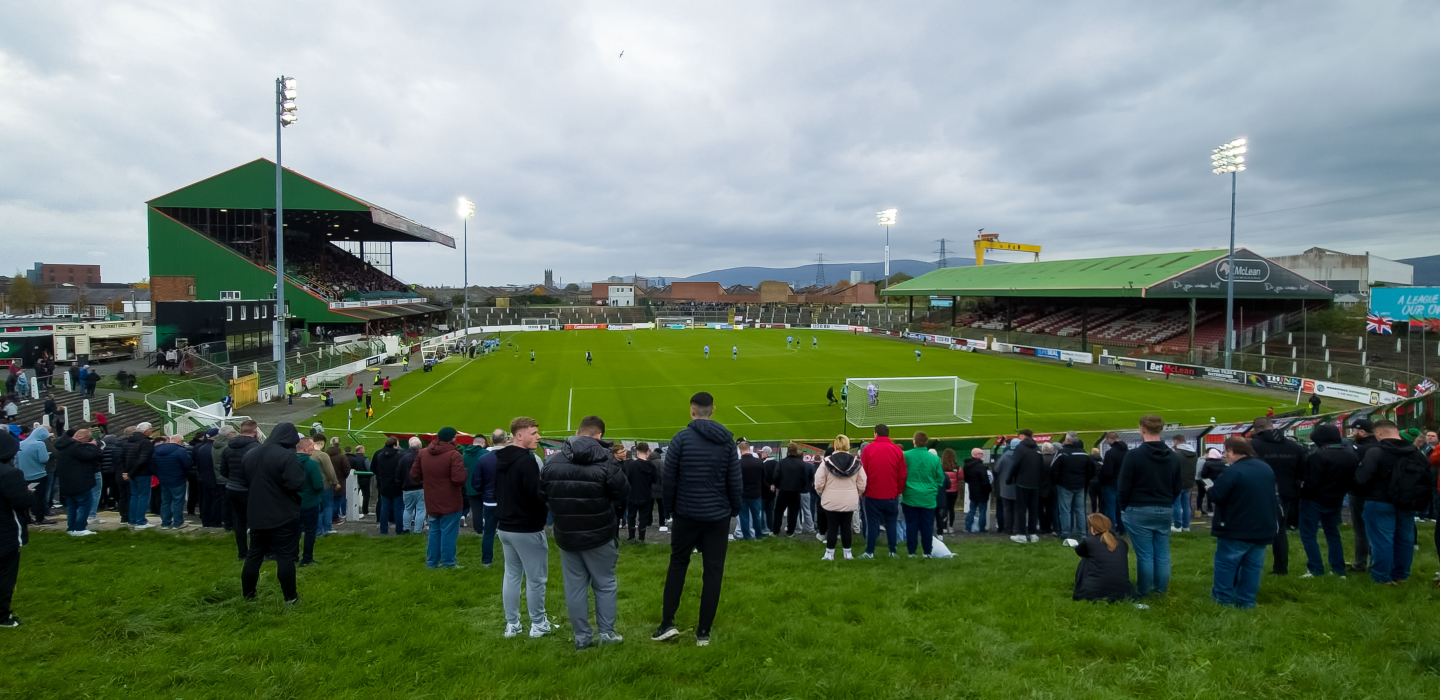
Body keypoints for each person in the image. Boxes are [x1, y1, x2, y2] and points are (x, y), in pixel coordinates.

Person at [653, 392, 741, 647]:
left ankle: (668, 623)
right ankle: (703, 632)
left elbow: (670, 479)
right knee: (713, 571)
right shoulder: (726, 442)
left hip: (687, 513)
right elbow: (734, 480)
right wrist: (733, 509)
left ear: (692, 411)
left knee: (678, 564)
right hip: (717, 515)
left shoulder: (681, 439)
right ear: (713, 409)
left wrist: (670, 510)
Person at [540, 415, 629, 650]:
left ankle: (583, 637)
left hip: (569, 533)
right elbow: (622, 494)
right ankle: (604, 634)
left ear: (578, 432)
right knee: (605, 584)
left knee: (575, 587)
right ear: (599, 435)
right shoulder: (606, 462)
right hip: (598, 534)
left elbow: (543, 494)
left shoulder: (553, 462)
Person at [1354, 419, 1431, 585]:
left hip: (1379, 501)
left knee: (1382, 540)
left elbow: (1362, 478)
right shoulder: (1416, 453)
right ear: (1397, 431)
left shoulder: (1376, 452)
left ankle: (1382, 577)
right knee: (1405, 539)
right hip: (1408, 502)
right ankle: (1401, 575)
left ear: (1379, 433)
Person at [237, 422, 305, 604]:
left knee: (254, 555)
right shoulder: (286, 456)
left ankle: (248, 595)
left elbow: (244, 480)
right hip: (283, 513)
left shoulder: (251, 454)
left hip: (257, 512)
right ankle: (290, 597)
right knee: (285, 556)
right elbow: (296, 484)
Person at [496, 416, 552, 638]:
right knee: (536, 578)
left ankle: (512, 624)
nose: (538, 436)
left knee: (511, 575)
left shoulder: (501, 458)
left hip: (505, 526)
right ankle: (538, 624)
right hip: (526, 528)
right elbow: (536, 496)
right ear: (519, 435)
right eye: (534, 433)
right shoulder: (527, 461)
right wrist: (541, 516)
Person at [1209, 436, 1279, 609]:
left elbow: (1217, 495)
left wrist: (1210, 489)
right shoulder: (1265, 468)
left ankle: (1222, 600)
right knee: (1252, 567)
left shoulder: (1233, 471)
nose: (1225, 455)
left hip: (1236, 526)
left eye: (1226, 452)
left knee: (1226, 564)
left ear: (1231, 452)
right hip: (1263, 526)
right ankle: (1246, 601)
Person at [1117, 414, 1182, 597]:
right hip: (1164, 508)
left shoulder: (1134, 455)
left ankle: (1144, 590)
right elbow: (1177, 485)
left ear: (1142, 429)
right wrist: (1167, 501)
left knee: (1145, 554)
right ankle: (1160, 589)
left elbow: (1123, 485)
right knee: (1162, 553)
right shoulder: (1172, 456)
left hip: (1139, 508)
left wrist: (1124, 506)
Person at [1297, 424, 1356, 578]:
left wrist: (1302, 491)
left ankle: (1315, 568)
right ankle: (1338, 569)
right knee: (1333, 534)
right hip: (1336, 498)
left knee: (1308, 534)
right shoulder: (1351, 456)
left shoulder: (1318, 457)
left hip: (1314, 500)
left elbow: (1311, 482)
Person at [1250, 416, 1305, 578]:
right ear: (1272, 427)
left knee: (1250, 529)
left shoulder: (1252, 445)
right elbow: (1302, 473)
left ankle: (1251, 568)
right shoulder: (1294, 446)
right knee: (1280, 530)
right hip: (1285, 493)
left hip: (1258, 492)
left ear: (1255, 429)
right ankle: (1280, 568)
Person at [410, 427, 468, 569]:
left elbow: (414, 474)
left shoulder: (423, 453)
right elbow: (458, 478)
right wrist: (464, 472)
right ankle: (448, 563)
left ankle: (432, 562)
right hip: (450, 500)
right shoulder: (454, 455)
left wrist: (429, 481)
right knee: (448, 532)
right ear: (451, 439)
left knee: (434, 532)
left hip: (432, 499)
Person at [815, 435, 866, 561]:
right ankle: (847, 554)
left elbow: (819, 482)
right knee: (846, 526)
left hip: (831, 499)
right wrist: (857, 493)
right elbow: (862, 482)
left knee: (832, 526)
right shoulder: (856, 463)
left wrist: (821, 492)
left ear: (835, 445)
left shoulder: (826, 462)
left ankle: (829, 554)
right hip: (849, 500)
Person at [859, 424, 905, 557]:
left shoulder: (868, 449)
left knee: (872, 523)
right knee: (891, 523)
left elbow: (863, 472)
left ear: (875, 434)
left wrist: (863, 491)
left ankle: (870, 551)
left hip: (872, 494)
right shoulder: (896, 450)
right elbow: (902, 473)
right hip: (890, 495)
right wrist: (898, 491)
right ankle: (892, 551)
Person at [0, 438, 32, 627]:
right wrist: (28, 492)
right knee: (5, 574)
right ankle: (2, 616)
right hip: (5, 531)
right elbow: (22, 501)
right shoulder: (10, 474)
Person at [1070, 513, 1133, 602]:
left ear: (1092, 528)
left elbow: (1079, 551)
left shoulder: (1089, 541)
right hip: (1123, 593)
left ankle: (1080, 587)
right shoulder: (1122, 543)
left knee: (1085, 559)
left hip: (1092, 593)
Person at [901, 431, 943, 556]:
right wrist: (933, 490)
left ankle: (912, 552)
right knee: (927, 526)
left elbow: (901, 473)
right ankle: (927, 552)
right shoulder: (934, 458)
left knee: (911, 525)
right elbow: (940, 478)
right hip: (928, 498)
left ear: (914, 441)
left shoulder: (906, 455)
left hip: (910, 496)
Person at [1347, 418, 1380, 573]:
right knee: (1378, 530)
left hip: (1360, 494)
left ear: (1362, 432)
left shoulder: (1359, 449)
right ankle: (1377, 563)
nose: (1352, 434)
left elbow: (1353, 471)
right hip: (1379, 494)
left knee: (1361, 530)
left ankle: (1360, 563)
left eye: (1354, 431)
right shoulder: (1381, 446)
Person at [55, 428, 101, 536]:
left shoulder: (63, 446)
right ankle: (79, 528)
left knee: (72, 505)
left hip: (66, 482)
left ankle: (71, 528)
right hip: (80, 481)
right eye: (87, 439)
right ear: (82, 438)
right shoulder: (75, 447)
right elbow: (92, 455)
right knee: (85, 504)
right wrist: (94, 446)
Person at [471, 429, 505, 565]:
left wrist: (485, 492)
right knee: (510, 532)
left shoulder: (484, 459)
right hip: (506, 502)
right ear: (505, 440)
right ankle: (512, 563)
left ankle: (486, 561)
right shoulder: (511, 458)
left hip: (490, 502)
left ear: (491, 440)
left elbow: (476, 483)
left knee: (489, 532)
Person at [1051, 432, 1094, 538]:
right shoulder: (1084, 454)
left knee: (1065, 510)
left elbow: (1053, 469)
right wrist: (1084, 480)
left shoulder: (1062, 453)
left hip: (1064, 485)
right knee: (1080, 510)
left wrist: (1056, 482)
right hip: (1080, 485)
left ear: (1068, 440)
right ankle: (1082, 533)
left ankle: (1066, 533)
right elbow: (1090, 470)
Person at [1007, 429, 1045, 543]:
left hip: (1022, 483)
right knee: (1033, 509)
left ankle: (1022, 534)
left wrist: (1010, 478)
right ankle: (1033, 534)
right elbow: (1041, 465)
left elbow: (1016, 464)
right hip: (1035, 483)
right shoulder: (1037, 448)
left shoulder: (1020, 448)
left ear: (1023, 436)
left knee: (1021, 509)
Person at [153, 435, 195, 529]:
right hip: (178, 479)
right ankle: (178, 523)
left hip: (163, 479)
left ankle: (165, 523)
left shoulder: (157, 449)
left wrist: (159, 475)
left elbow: (152, 465)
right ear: (180, 441)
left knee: (165, 502)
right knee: (178, 501)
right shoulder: (181, 450)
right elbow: (187, 464)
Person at [295, 437, 325, 567]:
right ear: (306, 448)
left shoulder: (288, 462)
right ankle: (307, 558)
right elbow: (318, 485)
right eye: (312, 446)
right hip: (309, 502)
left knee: (295, 530)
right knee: (310, 531)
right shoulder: (311, 464)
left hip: (293, 502)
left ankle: (293, 556)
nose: (313, 448)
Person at [120, 423, 155, 528]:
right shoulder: (146, 442)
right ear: (146, 431)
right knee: (143, 497)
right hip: (143, 473)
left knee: (134, 496)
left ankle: (133, 520)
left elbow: (123, 458)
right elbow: (143, 459)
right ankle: (141, 521)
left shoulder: (128, 441)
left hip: (132, 473)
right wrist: (131, 473)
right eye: (151, 429)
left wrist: (127, 472)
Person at [15, 427, 52, 526]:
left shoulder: (21, 443)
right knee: (39, 497)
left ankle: (26, 518)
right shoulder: (40, 444)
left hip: (24, 475)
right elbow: (43, 459)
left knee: (25, 496)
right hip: (38, 474)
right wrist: (48, 455)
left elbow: (16, 460)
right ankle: (39, 518)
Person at [371, 437, 405, 535]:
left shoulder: (380, 455)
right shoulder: (399, 456)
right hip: (396, 485)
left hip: (384, 485)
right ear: (394, 446)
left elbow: (374, 469)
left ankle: (383, 530)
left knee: (384, 508)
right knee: (398, 508)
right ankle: (399, 530)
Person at [773, 444, 808, 536]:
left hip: (783, 490)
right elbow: (805, 479)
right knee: (793, 511)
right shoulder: (801, 464)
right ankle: (790, 531)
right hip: (795, 490)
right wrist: (800, 487)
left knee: (778, 511)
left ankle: (776, 530)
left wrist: (778, 486)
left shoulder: (782, 462)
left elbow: (776, 476)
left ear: (788, 451)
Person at [624, 443, 657, 542]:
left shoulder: (632, 465)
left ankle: (631, 537)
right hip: (646, 494)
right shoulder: (651, 465)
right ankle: (641, 538)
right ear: (647, 451)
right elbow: (655, 480)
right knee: (643, 517)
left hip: (633, 494)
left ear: (637, 452)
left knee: (631, 516)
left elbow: (627, 479)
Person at [194, 428, 225, 528]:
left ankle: (205, 520)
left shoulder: (201, 448)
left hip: (203, 478)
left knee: (206, 500)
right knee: (216, 501)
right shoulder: (215, 449)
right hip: (214, 478)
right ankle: (215, 521)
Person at [1098, 432, 1127, 536]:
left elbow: (1108, 472)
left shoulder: (1110, 453)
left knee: (1110, 507)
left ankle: (1111, 529)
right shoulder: (1127, 452)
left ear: (1110, 439)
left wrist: (1101, 478)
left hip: (1110, 484)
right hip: (1123, 484)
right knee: (1120, 507)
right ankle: (1122, 528)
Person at [737, 441, 766, 540]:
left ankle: (746, 536)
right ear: (749, 448)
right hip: (755, 493)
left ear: (740, 450)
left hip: (742, 494)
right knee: (756, 516)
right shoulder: (759, 462)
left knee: (744, 517)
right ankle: (758, 535)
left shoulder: (738, 464)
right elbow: (764, 477)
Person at [1170, 436, 1197, 533]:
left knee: (1176, 504)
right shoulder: (1194, 453)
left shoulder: (1176, 454)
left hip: (1177, 482)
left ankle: (1177, 526)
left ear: (1175, 441)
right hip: (1189, 482)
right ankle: (1186, 526)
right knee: (1186, 504)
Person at [399, 437, 426, 535]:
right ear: (420, 446)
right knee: (421, 509)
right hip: (421, 487)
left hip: (407, 487)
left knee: (408, 509)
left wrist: (401, 484)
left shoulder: (404, 458)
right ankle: (418, 530)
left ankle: (406, 528)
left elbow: (399, 473)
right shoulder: (424, 457)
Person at [963, 448, 990, 533]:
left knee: (972, 510)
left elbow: (966, 479)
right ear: (975, 455)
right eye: (980, 453)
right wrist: (989, 489)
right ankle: (982, 529)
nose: (982, 455)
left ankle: (968, 527)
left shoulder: (966, 466)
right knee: (982, 511)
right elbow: (985, 481)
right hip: (982, 491)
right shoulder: (981, 467)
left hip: (972, 490)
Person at [1198, 447, 1226, 515]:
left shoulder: (1207, 463)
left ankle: (1208, 509)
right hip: (1219, 481)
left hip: (1209, 481)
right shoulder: (1222, 463)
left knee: (1204, 495)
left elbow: (1203, 474)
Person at [940, 449, 960, 534]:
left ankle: (944, 527)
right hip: (954, 491)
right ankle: (951, 527)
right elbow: (961, 477)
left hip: (944, 490)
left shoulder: (941, 467)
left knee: (944, 509)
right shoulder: (957, 467)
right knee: (951, 509)